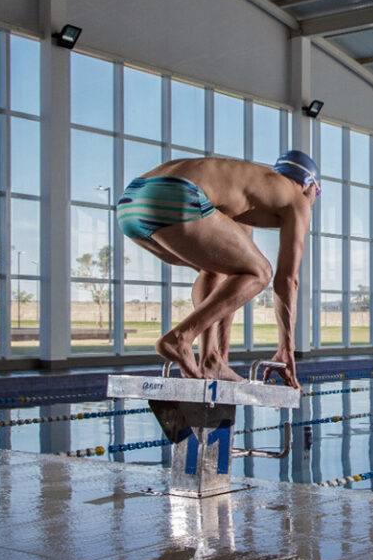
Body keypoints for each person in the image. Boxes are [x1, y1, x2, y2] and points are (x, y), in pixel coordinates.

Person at [116, 151, 319, 389]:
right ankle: (180, 338)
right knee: (261, 272)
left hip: (130, 205)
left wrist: (221, 356)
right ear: (309, 185)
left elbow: (228, 274)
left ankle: (212, 359)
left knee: (215, 269)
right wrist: (286, 348)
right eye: (318, 192)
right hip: (173, 193)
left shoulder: (247, 187)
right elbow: (286, 280)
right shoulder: (298, 198)